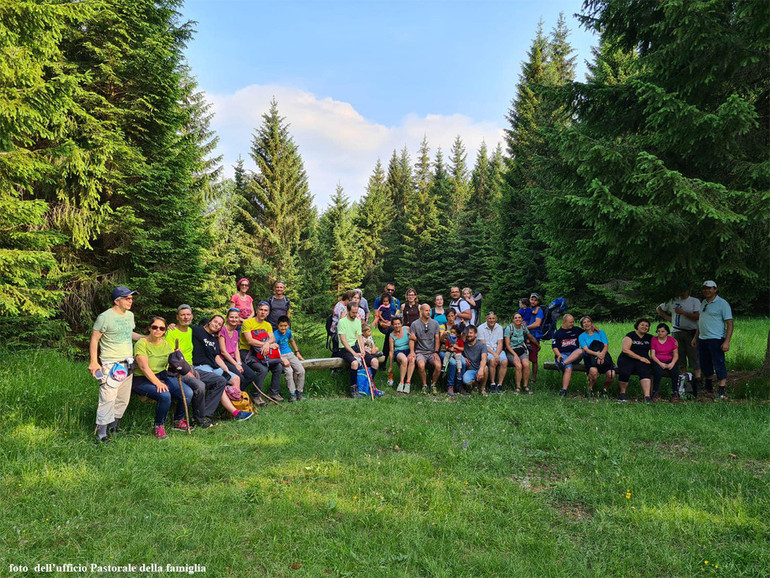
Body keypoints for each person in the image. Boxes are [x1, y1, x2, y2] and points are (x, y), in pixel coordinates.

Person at [89, 286, 143, 443]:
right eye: (127, 298)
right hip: (110, 365)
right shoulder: (105, 317)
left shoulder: (130, 316)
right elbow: (94, 339)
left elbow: (129, 333)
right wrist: (94, 361)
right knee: (108, 399)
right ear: (116, 301)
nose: (130, 301)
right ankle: (101, 435)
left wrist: (145, 337)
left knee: (122, 398)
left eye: (131, 298)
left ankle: (114, 427)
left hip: (128, 363)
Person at [132, 317, 196, 438]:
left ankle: (178, 420)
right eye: (155, 327)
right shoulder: (142, 344)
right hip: (142, 378)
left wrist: (177, 355)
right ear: (149, 328)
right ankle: (159, 426)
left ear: (164, 331)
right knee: (165, 395)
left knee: (188, 393)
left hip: (163, 375)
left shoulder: (166, 344)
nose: (158, 330)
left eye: (161, 328)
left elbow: (172, 361)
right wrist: (158, 383)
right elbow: (144, 368)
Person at [166, 305, 227, 429]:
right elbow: (169, 357)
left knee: (220, 381)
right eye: (182, 315)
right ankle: (199, 419)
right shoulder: (171, 332)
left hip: (192, 367)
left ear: (192, 316)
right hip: (176, 370)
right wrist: (186, 370)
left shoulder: (191, 331)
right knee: (200, 385)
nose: (185, 317)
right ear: (177, 317)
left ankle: (205, 414)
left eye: (188, 314)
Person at [191, 315, 253, 420]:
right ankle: (235, 413)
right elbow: (181, 328)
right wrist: (172, 325)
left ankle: (230, 410)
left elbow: (216, 357)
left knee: (235, 378)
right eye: (215, 322)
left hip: (214, 367)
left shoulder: (214, 340)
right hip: (201, 367)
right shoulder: (196, 331)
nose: (217, 325)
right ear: (209, 322)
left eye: (220, 324)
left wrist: (227, 370)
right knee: (220, 381)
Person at [692, 280, 733, 399]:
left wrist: (726, 341)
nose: (706, 290)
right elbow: (701, 322)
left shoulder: (722, 303)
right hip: (702, 339)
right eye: (705, 288)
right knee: (705, 364)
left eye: (709, 288)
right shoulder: (703, 302)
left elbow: (730, 323)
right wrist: (695, 337)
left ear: (715, 289)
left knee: (719, 363)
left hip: (716, 338)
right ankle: (708, 388)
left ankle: (722, 390)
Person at [656, 283, 701, 391]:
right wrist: (668, 317)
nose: (682, 293)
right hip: (676, 331)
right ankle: (683, 378)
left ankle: (698, 380)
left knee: (693, 355)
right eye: (680, 291)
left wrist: (683, 313)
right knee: (679, 354)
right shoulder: (673, 300)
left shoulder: (694, 301)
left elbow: (698, 316)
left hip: (691, 332)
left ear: (688, 291)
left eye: (684, 291)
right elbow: (659, 308)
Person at [218, 307, 264, 407]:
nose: (234, 319)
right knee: (241, 378)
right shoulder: (222, 330)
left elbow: (235, 349)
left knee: (251, 375)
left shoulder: (235, 332)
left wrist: (239, 363)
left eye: (236, 317)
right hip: (224, 360)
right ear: (227, 318)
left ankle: (234, 396)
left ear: (239, 319)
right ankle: (232, 400)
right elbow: (223, 351)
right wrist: (236, 364)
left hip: (234, 360)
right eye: (231, 317)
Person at [333, 301, 379, 398]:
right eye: (353, 312)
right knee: (355, 363)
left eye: (356, 312)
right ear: (348, 311)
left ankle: (368, 385)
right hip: (344, 349)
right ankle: (354, 390)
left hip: (355, 347)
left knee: (375, 361)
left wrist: (362, 350)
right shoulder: (342, 322)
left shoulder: (358, 322)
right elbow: (343, 341)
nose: (355, 315)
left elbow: (359, 338)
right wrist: (354, 353)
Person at [242, 301, 285, 401]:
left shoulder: (267, 325)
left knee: (278, 366)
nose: (263, 312)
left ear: (268, 313)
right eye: (261, 310)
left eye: (265, 310)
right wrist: (266, 344)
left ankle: (273, 393)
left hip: (262, 352)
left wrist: (267, 344)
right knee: (263, 369)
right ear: (256, 311)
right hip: (247, 352)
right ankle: (256, 395)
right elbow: (250, 340)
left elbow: (272, 338)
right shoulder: (247, 323)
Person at [617, 318, 653, 403]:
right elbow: (625, 350)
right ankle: (622, 394)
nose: (644, 327)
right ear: (637, 325)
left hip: (643, 360)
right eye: (642, 325)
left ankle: (647, 397)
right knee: (625, 371)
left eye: (647, 326)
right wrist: (640, 358)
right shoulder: (630, 335)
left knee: (645, 372)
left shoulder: (650, 337)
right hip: (627, 358)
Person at [578, 316, 615, 398]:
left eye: (588, 321)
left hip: (604, 355)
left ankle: (604, 390)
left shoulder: (600, 332)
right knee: (593, 372)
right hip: (590, 356)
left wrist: (601, 355)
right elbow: (586, 349)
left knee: (611, 375)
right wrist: (597, 354)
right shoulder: (581, 336)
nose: (587, 324)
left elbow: (606, 345)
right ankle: (590, 389)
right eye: (584, 322)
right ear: (582, 325)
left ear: (592, 323)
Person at [408, 304, 442, 395]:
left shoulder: (435, 323)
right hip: (420, 352)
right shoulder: (415, 324)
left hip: (431, 352)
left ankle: (433, 385)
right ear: (421, 312)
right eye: (426, 310)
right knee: (421, 365)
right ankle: (424, 385)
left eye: (429, 310)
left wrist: (436, 352)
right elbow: (411, 339)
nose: (428, 312)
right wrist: (412, 352)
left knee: (438, 366)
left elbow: (437, 339)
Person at [504, 312, 538, 394]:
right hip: (511, 351)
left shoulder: (523, 327)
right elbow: (507, 344)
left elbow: (530, 336)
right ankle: (518, 387)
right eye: (516, 318)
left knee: (526, 365)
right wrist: (515, 355)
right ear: (513, 320)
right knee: (518, 365)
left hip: (521, 350)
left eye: (519, 317)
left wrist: (537, 345)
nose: (518, 319)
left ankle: (525, 386)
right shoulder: (509, 328)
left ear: (522, 319)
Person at [551, 314, 584, 397]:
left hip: (575, 355)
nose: (572, 323)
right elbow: (554, 348)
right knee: (568, 369)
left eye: (573, 322)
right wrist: (559, 355)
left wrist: (594, 327)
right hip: (563, 354)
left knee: (580, 350)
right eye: (570, 322)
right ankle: (564, 390)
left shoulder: (576, 330)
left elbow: (588, 331)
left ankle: (563, 364)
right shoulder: (557, 334)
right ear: (564, 322)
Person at [275, 316, 305, 402]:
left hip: (291, 354)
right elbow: (275, 349)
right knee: (289, 372)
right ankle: (292, 394)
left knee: (301, 370)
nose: (283, 328)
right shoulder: (275, 335)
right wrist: (282, 359)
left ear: (288, 325)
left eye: (285, 326)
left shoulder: (288, 332)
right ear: (278, 325)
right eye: (281, 326)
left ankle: (299, 392)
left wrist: (297, 352)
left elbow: (292, 341)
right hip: (281, 356)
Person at [452, 325, 488, 396]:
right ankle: (475, 385)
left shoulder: (482, 345)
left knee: (485, 368)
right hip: (470, 370)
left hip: (479, 368)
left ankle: (483, 388)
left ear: (476, 334)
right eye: (467, 333)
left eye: (471, 333)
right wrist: (463, 357)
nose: (469, 335)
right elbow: (456, 352)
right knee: (466, 381)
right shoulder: (463, 345)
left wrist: (481, 369)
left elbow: (484, 358)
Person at [477, 311, 507, 394]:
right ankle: (492, 383)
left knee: (504, 361)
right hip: (486, 350)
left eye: (493, 318)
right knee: (492, 360)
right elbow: (483, 345)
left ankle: (499, 385)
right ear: (486, 318)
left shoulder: (499, 327)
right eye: (489, 318)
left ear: (496, 319)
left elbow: (500, 343)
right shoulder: (480, 328)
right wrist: (495, 355)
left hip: (498, 349)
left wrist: (497, 354)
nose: (491, 320)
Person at [651, 323, 679, 401]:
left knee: (674, 372)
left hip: (670, 359)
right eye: (658, 331)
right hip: (657, 360)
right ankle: (655, 392)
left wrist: (672, 363)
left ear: (667, 332)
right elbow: (652, 355)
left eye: (663, 331)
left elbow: (676, 354)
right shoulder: (654, 340)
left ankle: (675, 392)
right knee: (658, 372)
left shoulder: (672, 340)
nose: (660, 333)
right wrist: (660, 364)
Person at [389, 317, 415, 393]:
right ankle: (401, 382)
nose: (397, 326)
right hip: (399, 351)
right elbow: (391, 351)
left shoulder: (407, 329)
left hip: (409, 349)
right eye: (395, 324)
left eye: (398, 324)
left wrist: (412, 351)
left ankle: (408, 383)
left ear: (401, 324)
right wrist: (390, 366)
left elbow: (413, 339)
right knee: (404, 360)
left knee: (412, 359)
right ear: (392, 325)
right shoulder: (391, 336)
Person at [526, 293, 545, 384]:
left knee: (533, 359)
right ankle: (524, 377)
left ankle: (533, 379)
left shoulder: (539, 311)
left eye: (535, 300)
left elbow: (537, 324)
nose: (533, 301)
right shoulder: (529, 310)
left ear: (538, 301)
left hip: (534, 336)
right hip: (525, 336)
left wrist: (526, 328)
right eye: (531, 299)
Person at [374, 293, 394, 358]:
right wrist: (382, 321)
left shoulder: (389, 306)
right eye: (384, 301)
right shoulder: (382, 307)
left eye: (387, 301)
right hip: (383, 322)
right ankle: (386, 354)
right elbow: (379, 315)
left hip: (390, 322)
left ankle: (390, 353)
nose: (385, 303)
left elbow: (390, 314)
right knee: (390, 331)